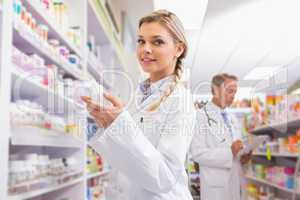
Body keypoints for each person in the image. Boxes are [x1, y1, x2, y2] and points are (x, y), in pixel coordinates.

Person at [82, 10, 196, 200]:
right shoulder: (139, 95)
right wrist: (110, 126)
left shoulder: (181, 102)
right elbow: (129, 156)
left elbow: (164, 177)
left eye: (157, 41)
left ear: (179, 49)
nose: (146, 49)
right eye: (141, 41)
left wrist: (121, 126)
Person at [190, 73, 252, 200]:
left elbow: (235, 150)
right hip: (216, 188)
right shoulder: (200, 117)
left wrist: (242, 157)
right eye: (230, 91)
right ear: (216, 90)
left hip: (235, 182)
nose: (233, 96)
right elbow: (197, 153)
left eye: (235, 92)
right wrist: (230, 152)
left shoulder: (232, 118)